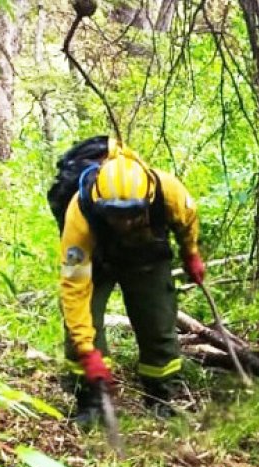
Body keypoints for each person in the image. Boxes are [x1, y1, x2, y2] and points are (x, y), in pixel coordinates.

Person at [59, 140, 205, 425]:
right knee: (80, 323)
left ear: (148, 199)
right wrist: (88, 353)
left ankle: (161, 396)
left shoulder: (169, 191)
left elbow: (187, 221)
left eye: (132, 214)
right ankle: (92, 400)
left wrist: (191, 254)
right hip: (97, 262)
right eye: (115, 214)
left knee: (158, 322)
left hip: (146, 256)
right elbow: (74, 289)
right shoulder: (80, 214)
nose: (124, 223)